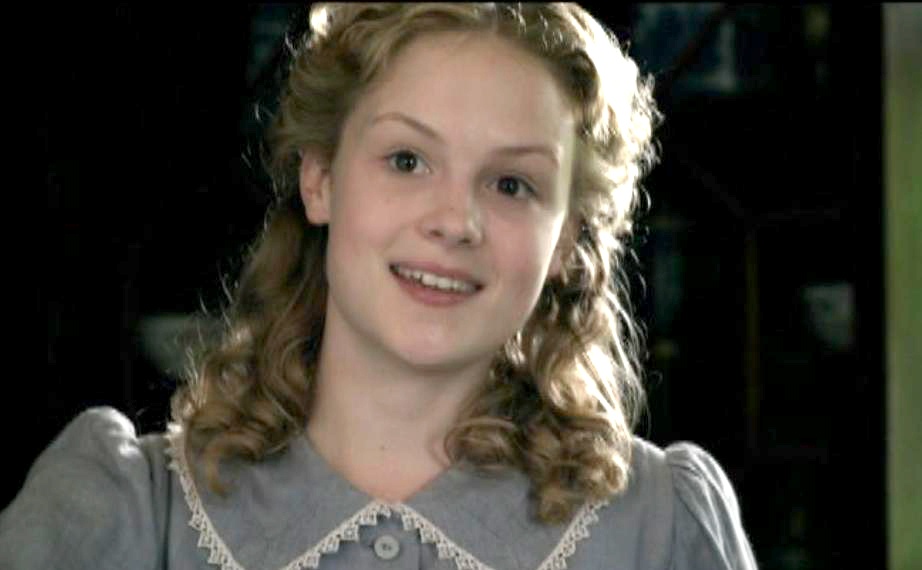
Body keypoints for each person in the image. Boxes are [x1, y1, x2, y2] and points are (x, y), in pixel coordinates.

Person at [3, 3, 758, 569]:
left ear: (567, 240)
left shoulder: (661, 526)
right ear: (320, 178)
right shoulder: (129, 511)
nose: (455, 221)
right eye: (406, 161)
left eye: (511, 183)